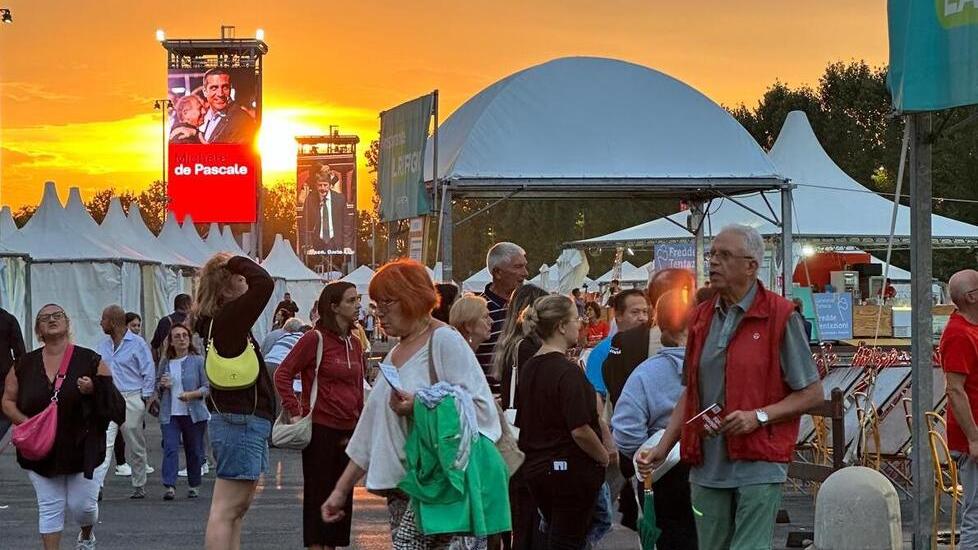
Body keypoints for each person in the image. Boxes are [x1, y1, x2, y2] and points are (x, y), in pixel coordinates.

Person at [641, 224, 823, 549]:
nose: (713, 263)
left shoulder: (781, 317)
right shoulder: (700, 318)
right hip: (707, 464)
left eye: (724, 256)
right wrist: (663, 448)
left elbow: (811, 394)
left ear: (751, 266)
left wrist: (759, 417)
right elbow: (690, 392)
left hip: (759, 461)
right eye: (712, 254)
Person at [321, 259, 503, 547]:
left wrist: (418, 404)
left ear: (413, 299)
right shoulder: (396, 352)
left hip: (439, 484)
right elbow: (370, 429)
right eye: (376, 303)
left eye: (387, 302)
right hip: (406, 487)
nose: (379, 311)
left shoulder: (443, 340)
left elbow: (479, 411)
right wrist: (340, 492)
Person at [2, 304, 124, 550]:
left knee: (84, 507)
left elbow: (116, 407)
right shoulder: (24, 365)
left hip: (82, 449)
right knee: (49, 506)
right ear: (38, 329)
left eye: (57, 316)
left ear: (67, 324)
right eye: (45, 318)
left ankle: (86, 534)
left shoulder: (90, 359)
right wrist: (27, 424)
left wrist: (94, 389)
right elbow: (7, 400)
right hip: (40, 452)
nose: (52, 320)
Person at [602, 268, 695, 529]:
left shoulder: (625, 342)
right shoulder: (715, 356)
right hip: (704, 468)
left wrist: (638, 456)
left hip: (647, 462)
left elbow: (614, 384)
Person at [193, 252, 275, 550]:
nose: (247, 283)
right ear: (226, 288)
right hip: (239, 421)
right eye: (241, 280)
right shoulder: (229, 319)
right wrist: (233, 261)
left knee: (234, 512)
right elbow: (264, 283)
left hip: (240, 421)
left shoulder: (220, 322)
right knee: (226, 511)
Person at [516, 295, 610, 549]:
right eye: (575, 319)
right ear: (560, 326)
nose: (580, 324)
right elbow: (580, 429)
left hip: (537, 469)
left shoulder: (530, 367)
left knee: (556, 535)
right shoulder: (567, 372)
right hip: (569, 470)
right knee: (569, 538)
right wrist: (603, 456)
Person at [276, 282, 365, 550]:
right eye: (351, 300)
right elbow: (283, 374)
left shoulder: (355, 342)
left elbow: (358, 386)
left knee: (341, 503)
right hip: (322, 430)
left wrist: (362, 422)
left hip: (350, 431)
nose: (358, 305)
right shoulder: (314, 339)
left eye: (357, 299)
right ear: (334, 306)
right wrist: (295, 411)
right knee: (319, 500)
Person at [489, 283, 548, 550]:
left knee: (519, 517)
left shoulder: (509, 345)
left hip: (515, 437)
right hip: (531, 440)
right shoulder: (528, 348)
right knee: (529, 518)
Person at [94, 305, 157, 499]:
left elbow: (148, 369)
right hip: (109, 397)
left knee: (135, 443)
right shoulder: (102, 346)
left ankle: (139, 484)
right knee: (104, 442)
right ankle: (97, 486)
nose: (100, 323)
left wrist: (146, 397)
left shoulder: (137, 344)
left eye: (103, 319)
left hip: (131, 396)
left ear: (113, 323)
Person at [940, 269, 978, 548]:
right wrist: (974, 438)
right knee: (976, 513)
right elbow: (954, 389)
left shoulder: (970, 329)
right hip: (971, 437)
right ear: (971, 297)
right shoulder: (959, 334)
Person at [157, 323, 209, 501]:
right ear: (170, 342)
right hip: (170, 413)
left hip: (193, 413)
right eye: (177, 336)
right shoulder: (166, 362)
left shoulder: (198, 361)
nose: (181, 339)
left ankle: (194, 484)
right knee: (170, 448)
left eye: (184, 336)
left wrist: (192, 395)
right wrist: (162, 385)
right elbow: (157, 385)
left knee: (193, 449)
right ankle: (169, 486)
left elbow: (208, 387)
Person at [476, 242, 529, 377]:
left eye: (525, 266)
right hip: (492, 395)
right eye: (518, 267)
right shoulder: (479, 311)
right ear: (497, 272)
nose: (525, 273)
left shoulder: (529, 306)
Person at [584, 289, 648, 399]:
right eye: (635, 312)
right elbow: (596, 395)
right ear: (618, 315)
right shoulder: (602, 351)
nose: (642, 318)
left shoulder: (652, 345)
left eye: (645, 312)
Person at [197, 68, 258, 145]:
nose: (220, 94)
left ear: (230, 89)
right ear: (205, 92)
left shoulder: (242, 120)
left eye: (225, 87)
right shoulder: (204, 115)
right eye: (214, 88)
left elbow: (238, 154)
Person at [303, 169, 349, 255]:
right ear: (316, 186)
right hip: (317, 244)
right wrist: (309, 246)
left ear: (330, 185)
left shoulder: (340, 199)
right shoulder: (310, 200)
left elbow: (346, 224)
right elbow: (305, 225)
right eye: (320, 185)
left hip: (336, 242)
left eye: (325, 185)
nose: (322, 188)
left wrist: (347, 246)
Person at [0, 305, 26, 441]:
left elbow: (20, 355)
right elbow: (20, 354)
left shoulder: (8, 320)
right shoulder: (8, 319)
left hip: (4, 380)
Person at [151, 294, 192, 363]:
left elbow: (154, 346)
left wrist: (158, 363)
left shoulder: (164, 321)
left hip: (168, 361)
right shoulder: (193, 322)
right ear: (188, 305)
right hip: (189, 362)